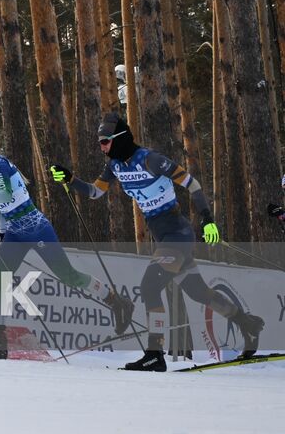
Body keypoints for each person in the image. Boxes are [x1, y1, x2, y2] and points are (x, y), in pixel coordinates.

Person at [50, 112, 265, 371]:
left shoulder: (150, 160)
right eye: (99, 142)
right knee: (198, 292)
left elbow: (192, 184)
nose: (102, 147)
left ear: (119, 139)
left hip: (177, 234)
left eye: (105, 141)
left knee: (150, 286)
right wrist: (71, 179)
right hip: (163, 236)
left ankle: (155, 353)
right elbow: (96, 192)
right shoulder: (115, 166)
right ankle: (248, 323)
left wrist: (208, 220)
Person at [0, 125, 132, 359]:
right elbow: (0, 205)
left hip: (36, 228)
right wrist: (4, 230)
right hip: (15, 232)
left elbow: (6, 195)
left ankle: (117, 301)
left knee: (68, 276)